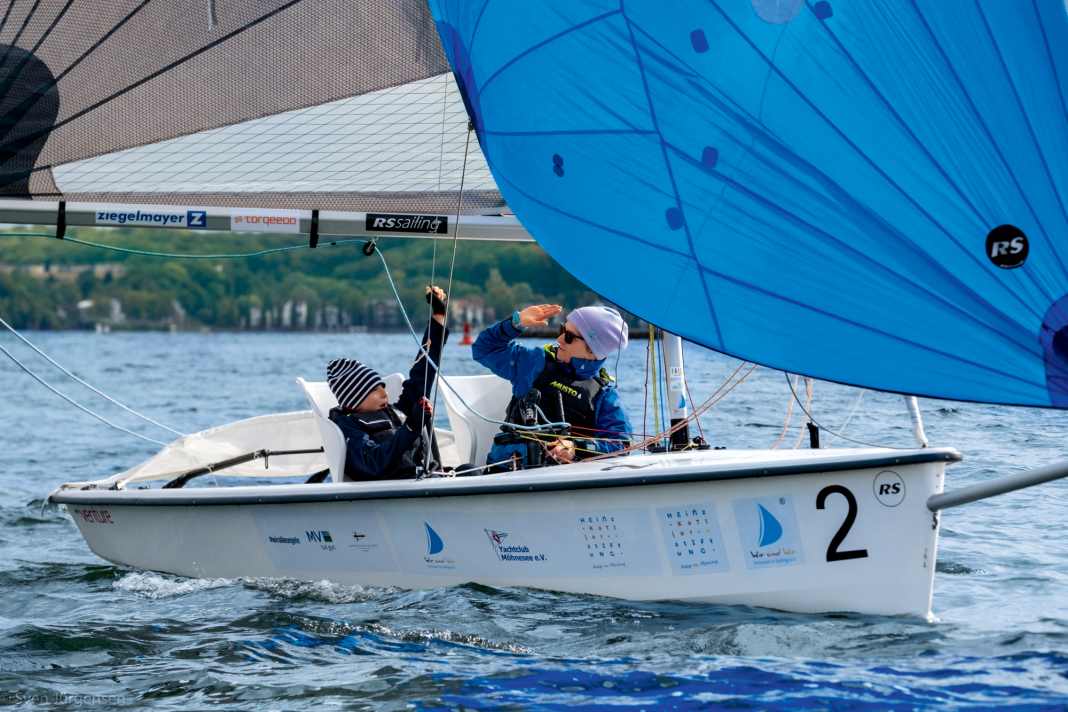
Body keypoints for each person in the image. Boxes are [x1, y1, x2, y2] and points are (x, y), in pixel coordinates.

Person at [473, 303, 632, 468]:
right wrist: (516, 322)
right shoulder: (534, 362)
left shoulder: (604, 395)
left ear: (593, 350)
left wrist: (577, 447)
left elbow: (621, 444)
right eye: (562, 330)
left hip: (559, 481)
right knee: (466, 471)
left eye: (569, 337)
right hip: (505, 474)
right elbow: (483, 349)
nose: (559, 339)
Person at [326, 286, 448, 481]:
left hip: (430, 480)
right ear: (352, 400)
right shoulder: (350, 430)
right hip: (400, 492)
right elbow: (373, 462)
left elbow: (422, 372)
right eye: (374, 390)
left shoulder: (395, 411)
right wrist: (410, 427)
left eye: (382, 387)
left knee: (471, 469)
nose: (384, 394)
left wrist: (438, 317)